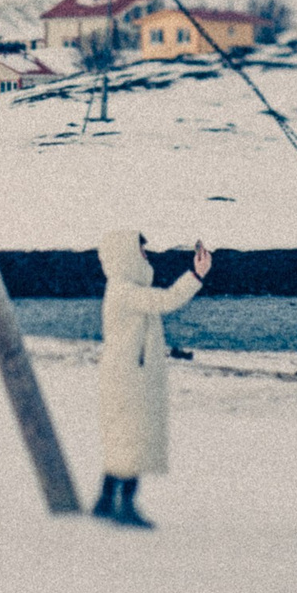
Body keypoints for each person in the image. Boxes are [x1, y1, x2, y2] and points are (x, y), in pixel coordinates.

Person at [93, 227, 212, 529]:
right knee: (132, 440)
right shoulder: (124, 290)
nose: (146, 257)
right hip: (129, 378)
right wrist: (196, 275)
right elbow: (167, 300)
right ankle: (123, 506)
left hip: (128, 376)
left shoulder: (122, 289)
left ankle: (106, 502)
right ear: (126, 256)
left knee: (126, 439)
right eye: (141, 251)